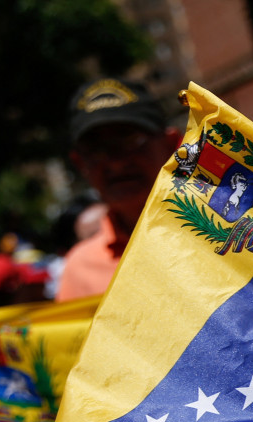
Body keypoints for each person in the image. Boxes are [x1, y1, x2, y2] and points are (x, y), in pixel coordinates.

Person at [56, 77, 181, 302]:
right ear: (79, 164)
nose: (115, 162)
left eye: (131, 140)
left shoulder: (230, 231)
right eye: (95, 149)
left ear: (172, 143)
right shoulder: (78, 270)